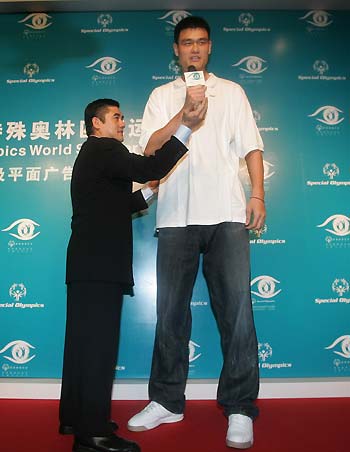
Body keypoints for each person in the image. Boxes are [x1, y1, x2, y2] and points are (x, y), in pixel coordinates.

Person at [127, 16, 265, 449]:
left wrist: (257, 195)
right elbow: (150, 149)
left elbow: (251, 146)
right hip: (174, 217)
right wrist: (183, 114)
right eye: (186, 43)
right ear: (176, 49)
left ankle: (240, 407)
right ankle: (167, 400)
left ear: (210, 48)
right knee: (170, 313)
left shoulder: (233, 92)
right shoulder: (160, 95)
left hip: (225, 213)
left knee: (238, 313)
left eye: (201, 42)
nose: (194, 49)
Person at [59, 97, 208, 452]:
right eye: (116, 117)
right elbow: (149, 165)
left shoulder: (91, 155)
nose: (122, 123)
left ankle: (76, 418)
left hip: (86, 265)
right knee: (98, 348)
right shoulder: (105, 148)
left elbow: (115, 205)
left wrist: (148, 194)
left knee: (82, 345)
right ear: (96, 123)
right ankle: (93, 434)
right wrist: (186, 127)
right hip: (99, 266)